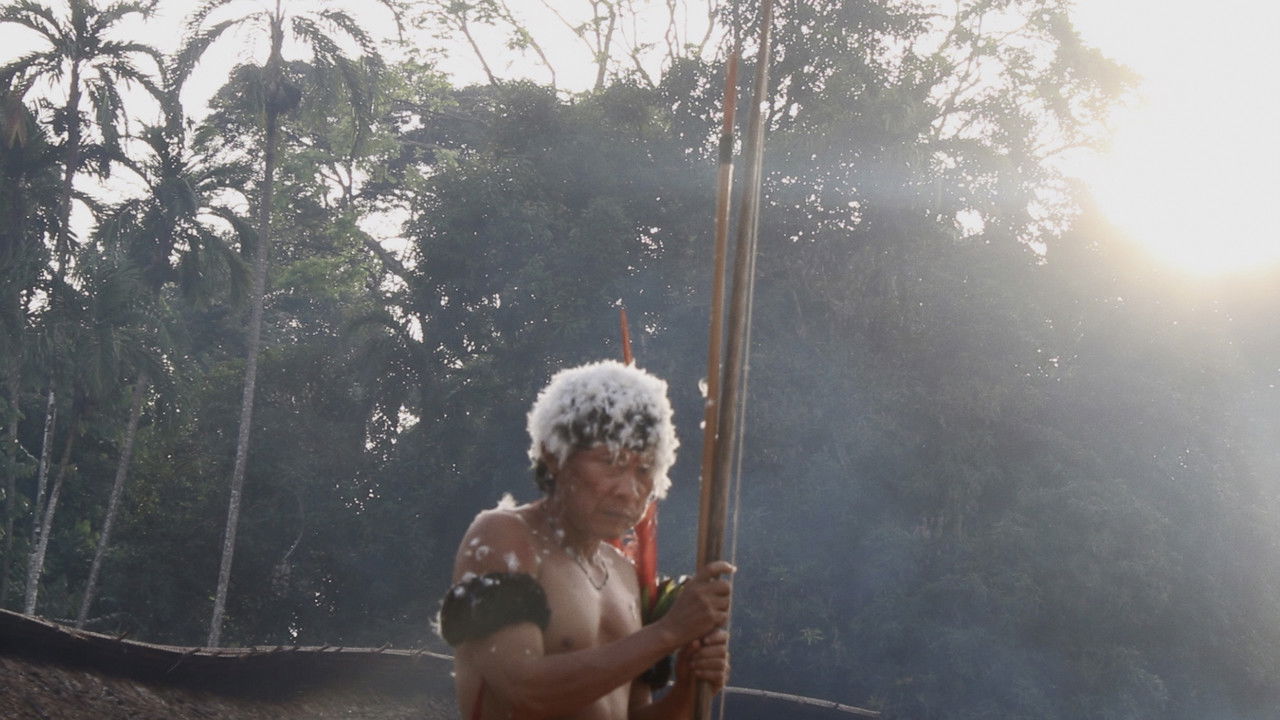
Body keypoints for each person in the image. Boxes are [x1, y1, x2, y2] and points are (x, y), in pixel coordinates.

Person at [439, 360, 734, 720]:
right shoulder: (506, 536)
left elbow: (630, 715)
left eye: (644, 471)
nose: (629, 490)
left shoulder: (623, 573)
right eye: (610, 463)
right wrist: (669, 633)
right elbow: (523, 691)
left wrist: (687, 692)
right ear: (554, 455)